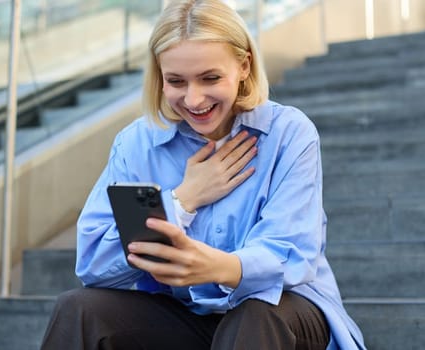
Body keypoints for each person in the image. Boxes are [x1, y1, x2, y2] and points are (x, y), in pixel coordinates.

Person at [40, 0, 366, 349]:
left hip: (283, 316)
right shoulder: (137, 144)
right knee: (79, 309)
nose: (194, 99)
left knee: (253, 314)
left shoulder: (288, 133)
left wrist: (215, 267)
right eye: (176, 81)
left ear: (244, 66)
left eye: (210, 78)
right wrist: (182, 201)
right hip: (187, 317)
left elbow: (293, 255)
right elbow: (94, 266)